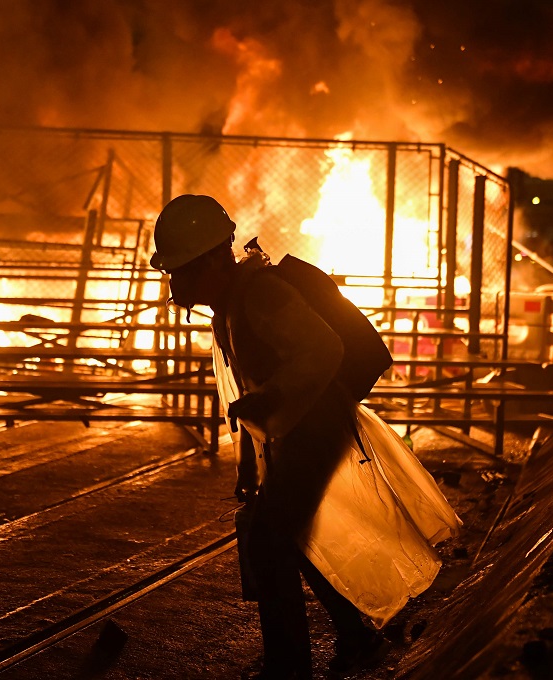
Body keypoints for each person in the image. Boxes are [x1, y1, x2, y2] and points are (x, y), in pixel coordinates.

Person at [150, 195, 461, 679]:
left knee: (269, 539)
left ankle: (289, 668)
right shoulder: (230, 306)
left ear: (212, 259)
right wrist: (249, 465)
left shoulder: (261, 295)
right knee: (285, 536)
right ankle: (355, 638)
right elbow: (248, 393)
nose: (176, 286)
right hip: (294, 432)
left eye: (182, 271)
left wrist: (274, 396)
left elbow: (323, 348)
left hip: (316, 428)